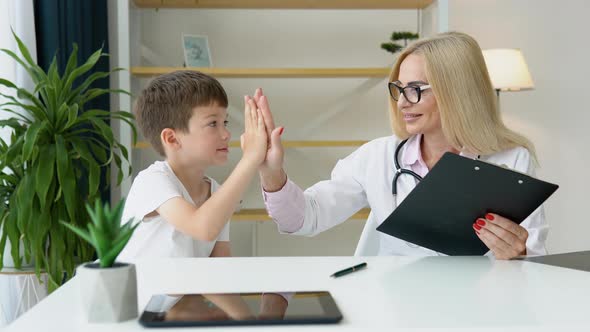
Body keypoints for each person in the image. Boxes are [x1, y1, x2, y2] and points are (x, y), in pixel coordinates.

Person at [253, 32, 548, 259]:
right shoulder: (377, 157)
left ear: (457, 93)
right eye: (399, 89)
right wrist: (271, 173)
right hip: (395, 304)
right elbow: (306, 218)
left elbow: (533, 254)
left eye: (416, 90)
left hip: (480, 305)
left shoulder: (511, 160)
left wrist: (518, 253)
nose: (403, 101)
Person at [118, 70, 268, 262]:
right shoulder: (152, 181)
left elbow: (219, 273)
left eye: (225, 122)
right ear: (172, 138)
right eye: (213, 123)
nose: (226, 134)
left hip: (177, 293)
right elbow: (202, 228)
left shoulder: (217, 193)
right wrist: (250, 159)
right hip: (126, 292)